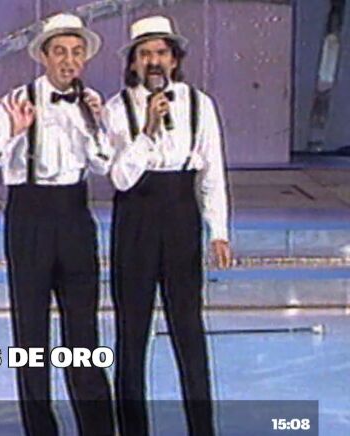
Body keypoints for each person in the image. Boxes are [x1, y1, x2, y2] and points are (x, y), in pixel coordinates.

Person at [0, 13, 115, 436]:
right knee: (31, 335)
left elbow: (105, 166)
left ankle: (98, 429)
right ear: (44, 56)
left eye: (77, 53)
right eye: (61, 52)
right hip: (29, 217)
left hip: (75, 216)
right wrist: (16, 133)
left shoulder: (92, 102)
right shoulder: (17, 99)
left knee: (83, 334)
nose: (69, 61)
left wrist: (95, 125)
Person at [104, 15, 232, 436]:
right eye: (145, 54)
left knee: (188, 328)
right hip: (135, 217)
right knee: (132, 331)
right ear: (134, 62)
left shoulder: (200, 104)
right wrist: (148, 130)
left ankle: (202, 428)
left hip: (180, 214)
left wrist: (218, 231)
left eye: (160, 52)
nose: (153, 61)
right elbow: (120, 178)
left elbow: (212, 173)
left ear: (174, 59)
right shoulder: (116, 108)